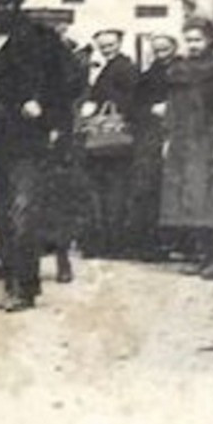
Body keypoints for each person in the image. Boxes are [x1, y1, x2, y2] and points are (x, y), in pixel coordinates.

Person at [0, 0, 80, 312]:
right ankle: (12, 282)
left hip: (28, 139)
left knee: (24, 211)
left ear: (18, 5)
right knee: (0, 214)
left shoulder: (41, 38)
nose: (0, 10)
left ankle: (26, 287)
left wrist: (45, 105)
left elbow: (73, 78)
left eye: (7, 4)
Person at [159, 18, 213, 280]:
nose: (193, 45)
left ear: (209, 41)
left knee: (211, 200)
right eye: (189, 40)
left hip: (208, 140)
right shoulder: (179, 69)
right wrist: (168, 136)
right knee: (188, 200)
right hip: (183, 141)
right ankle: (200, 256)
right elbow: (174, 106)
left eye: (197, 40)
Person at [78, 29, 140, 258]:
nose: (107, 49)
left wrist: (100, 101)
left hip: (115, 138)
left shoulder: (124, 67)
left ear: (120, 43)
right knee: (108, 190)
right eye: (103, 46)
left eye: (111, 45)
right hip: (109, 140)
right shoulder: (108, 66)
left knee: (113, 191)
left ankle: (113, 243)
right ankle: (108, 242)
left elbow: (130, 100)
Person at [128, 34, 179, 258]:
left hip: (179, 135)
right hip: (150, 137)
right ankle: (152, 243)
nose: (161, 55)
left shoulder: (183, 71)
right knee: (149, 189)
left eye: (165, 50)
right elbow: (133, 107)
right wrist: (150, 109)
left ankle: (181, 242)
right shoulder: (147, 76)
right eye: (157, 51)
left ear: (174, 48)